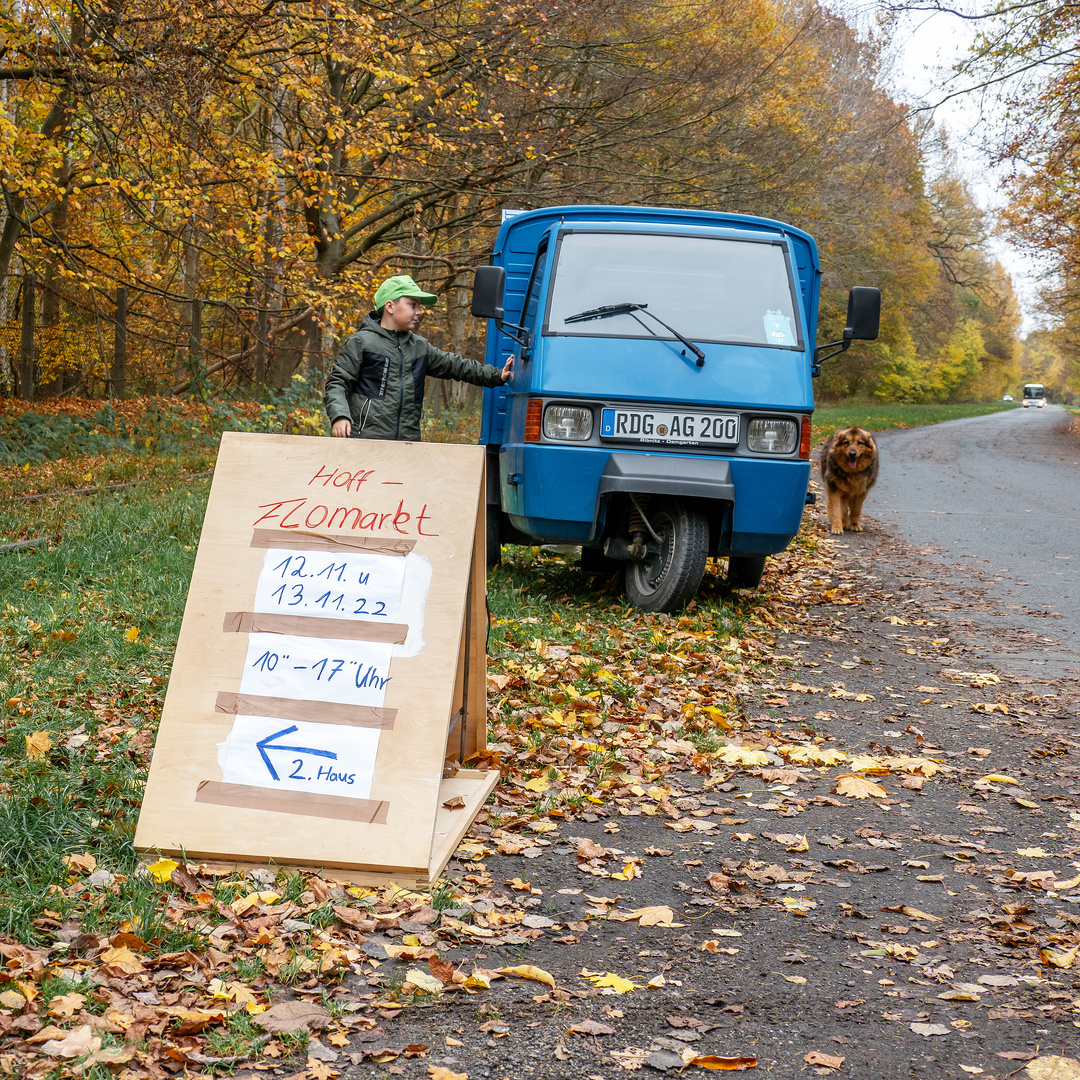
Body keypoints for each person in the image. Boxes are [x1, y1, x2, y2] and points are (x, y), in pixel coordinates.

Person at [324, 274, 513, 441]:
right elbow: (337, 382)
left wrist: (497, 374)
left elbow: (456, 365)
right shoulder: (362, 342)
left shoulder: (419, 347)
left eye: (419, 306)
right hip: (365, 442)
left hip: (408, 444)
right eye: (412, 305)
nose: (419, 311)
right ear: (390, 306)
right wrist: (340, 416)